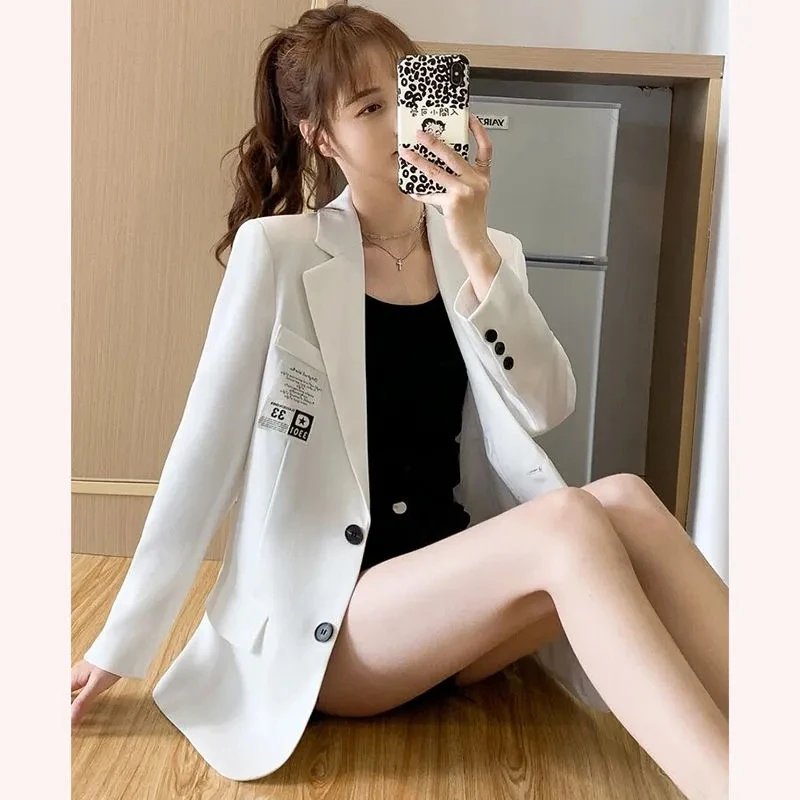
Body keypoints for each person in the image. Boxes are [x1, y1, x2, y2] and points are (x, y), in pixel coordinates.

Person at [70, 5, 728, 797]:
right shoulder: (278, 253)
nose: (401, 119)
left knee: (626, 500)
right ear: (322, 137)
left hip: (456, 607)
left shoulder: (487, 250)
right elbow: (201, 458)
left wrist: (473, 243)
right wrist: (119, 644)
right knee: (568, 521)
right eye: (369, 107)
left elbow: (549, 404)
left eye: (409, 94)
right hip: (340, 624)